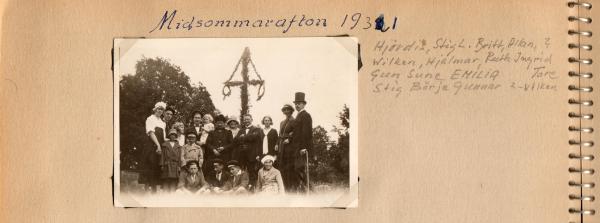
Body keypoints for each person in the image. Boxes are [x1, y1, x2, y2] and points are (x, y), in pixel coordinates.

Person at [141, 101, 167, 193]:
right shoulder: (150, 119)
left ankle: (154, 191)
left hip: (159, 147)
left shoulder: (163, 122)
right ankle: (147, 190)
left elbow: (164, 138)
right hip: (151, 146)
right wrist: (158, 146)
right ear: (155, 109)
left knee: (157, 167)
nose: (160, 111)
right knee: (150, 166)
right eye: (159, 109)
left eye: (162, 109)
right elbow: (151, 133)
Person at [232, 114, 262, 191]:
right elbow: (235, 140)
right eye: (245, 119)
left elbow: (255, 138)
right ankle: (242, 187)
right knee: (242, 171)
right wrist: (244, 137)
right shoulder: (241, 130)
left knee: (252, 171)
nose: (246, 121)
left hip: (252, 154)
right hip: (242, 155)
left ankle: (252, 188)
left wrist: (243, 137)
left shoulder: (256, 129)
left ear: (251, 119)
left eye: (248, 119)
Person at [292, 92, 313, 193]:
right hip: (296, 148)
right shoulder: (298, 116)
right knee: (297, 170)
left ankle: (311, 191)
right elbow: (297, 132)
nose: (297, 105)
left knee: (301, 169)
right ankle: (305, 190)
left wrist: (304, 147)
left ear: (304, 104)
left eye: (299, 103)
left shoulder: (305, 115)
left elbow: (306, 133)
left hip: (302, 149)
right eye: (296, 103)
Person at [276, 104, 298, 191]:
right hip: (282, 146)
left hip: (289, 147)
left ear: (291, 111)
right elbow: (280, 135)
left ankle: (291, 187)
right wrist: (277, 144)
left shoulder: (294, 121)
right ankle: (284, 187)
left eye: (288, 110)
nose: (286, 112)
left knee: (289, 166)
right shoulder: (282, 122)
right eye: (284, 110)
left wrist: (289, 139)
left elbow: (296, 132)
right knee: (282, 166)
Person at [161, 129, 182, 193]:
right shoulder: (165, 145)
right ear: (169, 136)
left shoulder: (178, 146)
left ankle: (172, 193)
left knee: (174, 180)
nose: (173, 136)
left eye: (174, 135)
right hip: (167, 164)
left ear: (176, 136)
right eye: (171, 135)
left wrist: (179, 166)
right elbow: (162, 155)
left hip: (175, 165)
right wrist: (162, 165)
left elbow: (180, 157)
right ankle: (165, 193)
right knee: (166, 179)